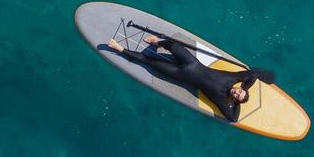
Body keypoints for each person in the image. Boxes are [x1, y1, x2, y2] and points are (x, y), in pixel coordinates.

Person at [108, 34, 275, 123]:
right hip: (192, 63)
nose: (237, 92)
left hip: (180, 75)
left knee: (150, 62)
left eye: (238, 96)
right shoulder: (234, 79)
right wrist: (245, 89)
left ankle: (119, 48)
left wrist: (237, 102)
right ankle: (157, 42)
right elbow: (252, 75)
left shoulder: (222, 100)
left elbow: (233, 118)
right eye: (240, 91)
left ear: (235, 99)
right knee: (172, 45)